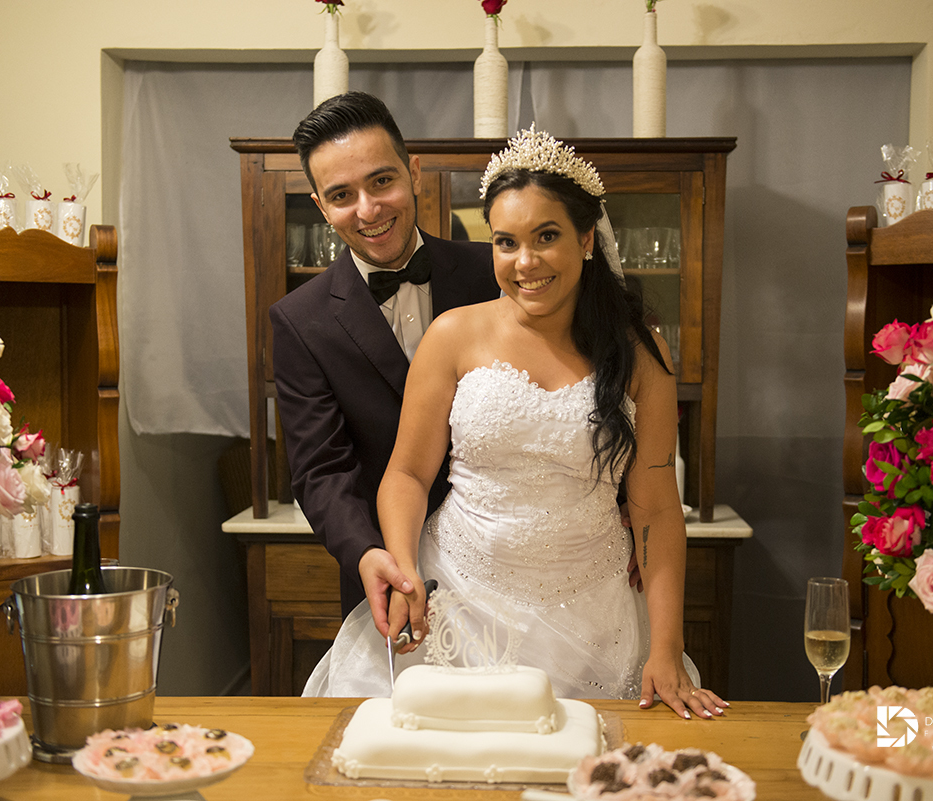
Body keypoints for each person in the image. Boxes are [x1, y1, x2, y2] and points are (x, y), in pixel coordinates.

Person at [304, 127, 727, 720]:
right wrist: (405, 572)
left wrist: (666, 647)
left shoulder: (640, 352)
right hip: (458, 600)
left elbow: (655, 505)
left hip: (596, 607)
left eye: (546, 236)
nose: (525, 262)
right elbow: (407, 474)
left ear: (586, 239)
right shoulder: (453, 334)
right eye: (506, 242)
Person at [269, 92, 500, 628]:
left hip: (513, 567)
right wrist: (367, 552)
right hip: (391, 578)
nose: (368, 210)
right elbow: (321, 470)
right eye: (342, 195)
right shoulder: (299, 321)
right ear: (321, 207)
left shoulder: (495, 273)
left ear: (413, 172)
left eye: (381, 181)